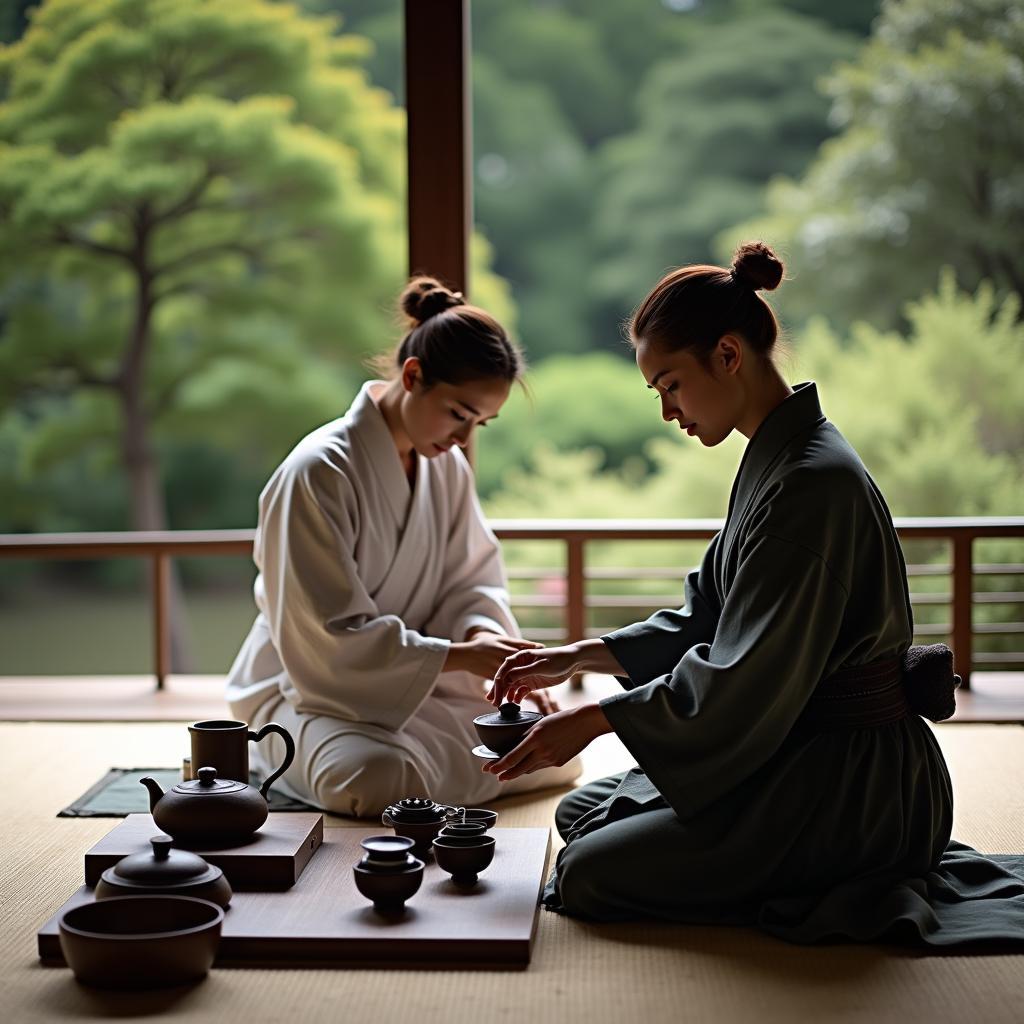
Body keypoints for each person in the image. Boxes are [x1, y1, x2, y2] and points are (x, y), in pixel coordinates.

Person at [482, 242, 1024, 946]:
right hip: (794, 747)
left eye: (670, 384)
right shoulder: (777, 459)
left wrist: (591, 722)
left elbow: (743, 678)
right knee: (584, 813)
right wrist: (577, 657)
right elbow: (707, 612)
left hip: (850, 783)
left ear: (728, 356)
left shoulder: (811, 483)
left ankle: (826, 866)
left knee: (587, 872)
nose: (668, 412)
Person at [227, 276, 581, 817]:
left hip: (416, 682)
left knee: (554, 747)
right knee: (377, 778)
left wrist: (487, 641)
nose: (464, 438)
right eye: (459, 414)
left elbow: (471, 582)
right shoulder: (317, 472)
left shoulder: (447, 469)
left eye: (480, 423)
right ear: (413, 376)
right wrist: (463, 656)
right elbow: (327, 638)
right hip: (309, 692)